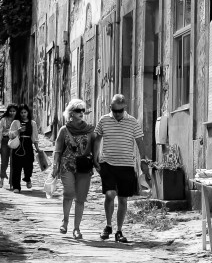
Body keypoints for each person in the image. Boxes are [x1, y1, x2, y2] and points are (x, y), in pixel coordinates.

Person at [94, 92, 144, 243]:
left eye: (120, 111)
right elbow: (97, 140)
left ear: (125, 108)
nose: (117, 114)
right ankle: (108, 225)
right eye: (115, 111)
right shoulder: (104, 120)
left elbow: (140, 142)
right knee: (110, 194)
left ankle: (119, 231)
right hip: (107, 163)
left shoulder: (133, 122)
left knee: (123, 199)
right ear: (111, 107)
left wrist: (144, 161)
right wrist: (95, 158)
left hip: (127, 164)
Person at [52, 98, 97, 237]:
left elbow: (95, 150)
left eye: (83, 110)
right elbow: (58, 149)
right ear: (71, 113)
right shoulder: (64, 130)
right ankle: (65, 222)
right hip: (67, 165)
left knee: (81, 198)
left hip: (84, 166)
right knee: (69, 192)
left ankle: (76, 228)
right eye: (78, 110)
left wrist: (97, 164)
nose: (81, 113)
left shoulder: (90, 130)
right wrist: (55, 166)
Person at [11, 102, 37, 193]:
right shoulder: (15, 122)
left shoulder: (32, 123)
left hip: (28, 145)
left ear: (28, 113)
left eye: (25, 112)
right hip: (18, 145)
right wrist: (18, 130)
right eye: (21, 113)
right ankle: (16, 187)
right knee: (16, 167)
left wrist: (37, 148)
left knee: (29, 165)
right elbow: (10, 134)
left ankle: (27, 178)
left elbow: (34, 137)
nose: (23, 114)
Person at [0, 102, 17, 186]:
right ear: (8, 111)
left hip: (15, 141)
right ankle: (1, 179)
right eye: (10, 111)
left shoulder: (18, 120)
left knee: (14, 162)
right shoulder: (4, 120)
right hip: (5, 141)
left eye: (14, 111)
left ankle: (12, 182)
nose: (12, 113)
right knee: (4, 162)